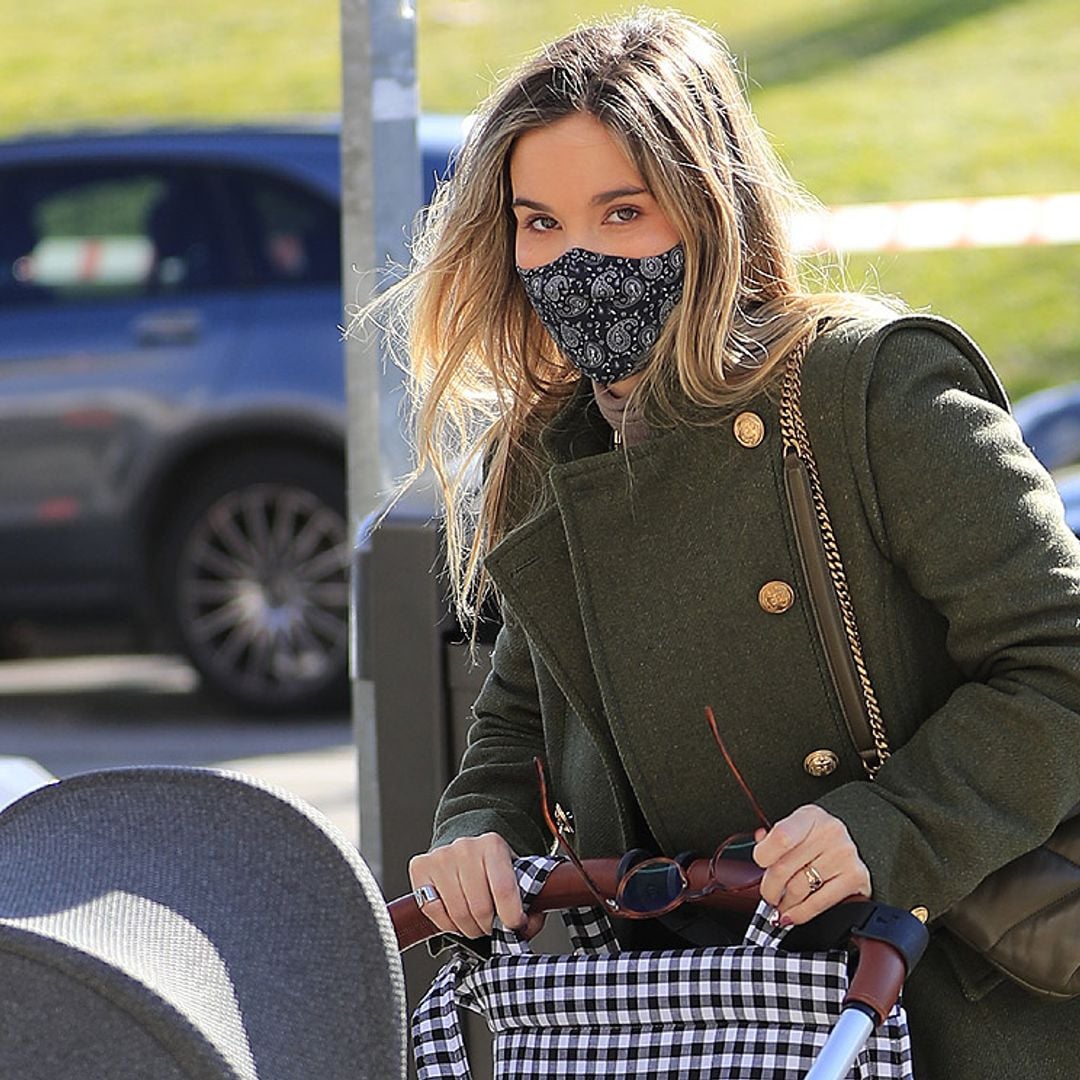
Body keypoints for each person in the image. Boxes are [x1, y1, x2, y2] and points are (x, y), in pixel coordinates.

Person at [371, 9, 1080, 1077]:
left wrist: (886, 829)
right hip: (687, 1022)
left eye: (623, 212)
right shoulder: (545, 456)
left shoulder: (871, 391)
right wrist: (475, 831)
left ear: (714, 212)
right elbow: (521, 719)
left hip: (934, 1008)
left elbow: (1059, 660)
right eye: (540, 223)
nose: (578, 264)